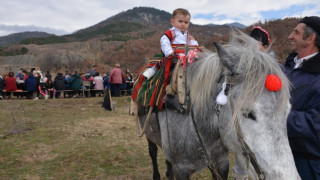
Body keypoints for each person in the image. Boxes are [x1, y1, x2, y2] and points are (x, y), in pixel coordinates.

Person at [282, 16, 320, 179]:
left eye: (296, 32)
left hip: (309, 162)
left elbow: (316, 123)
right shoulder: (287, 68)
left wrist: (275, 115)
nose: (290, 36)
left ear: (310, 38)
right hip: (282, 153)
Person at [143, 8, 199, 80]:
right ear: (173, 22)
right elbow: (164, 41)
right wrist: (169, 52)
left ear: (189, 24)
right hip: (174, 54)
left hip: (186, 54)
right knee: (166, 61)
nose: (183, 24)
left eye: (186, 22)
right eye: (180, 21)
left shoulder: (188, 35)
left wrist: (193, 42)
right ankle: (153, 70)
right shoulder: (171, 32)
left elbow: (193, 46)